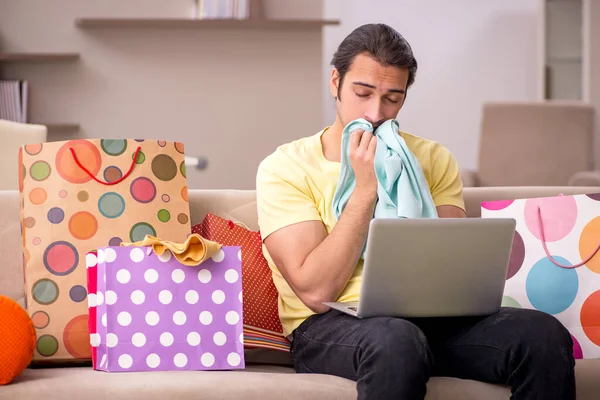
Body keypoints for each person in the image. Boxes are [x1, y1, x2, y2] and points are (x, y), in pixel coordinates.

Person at [255, 23, 575, 400]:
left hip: (432, 323)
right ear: (335, 82)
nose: (375, 113)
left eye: (392, 98)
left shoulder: (432, 159)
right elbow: (315, 289)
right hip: (327, 327)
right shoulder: (286, 167)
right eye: (363, 93)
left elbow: (459, 270)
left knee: (542, 333)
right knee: (396, 338)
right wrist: (365, 191)